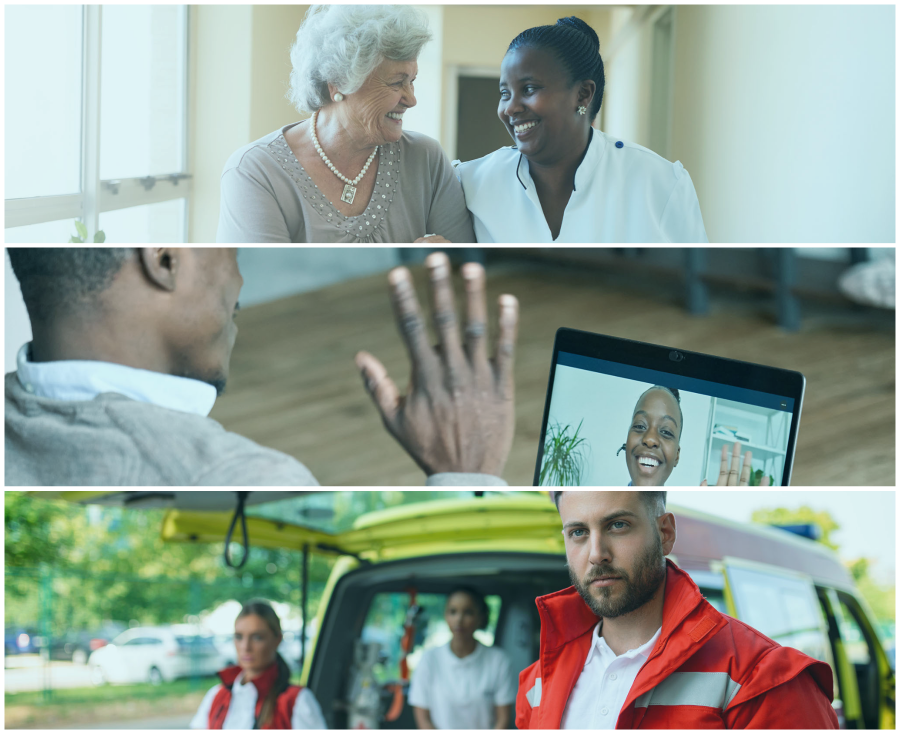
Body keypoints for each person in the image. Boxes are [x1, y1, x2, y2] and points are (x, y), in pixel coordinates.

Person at [5, 248, 518, 486]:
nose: (238, 279)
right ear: (164, 259)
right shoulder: (241, 475)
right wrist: (467, 470)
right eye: (229, 249)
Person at [516, 491, 839, 729]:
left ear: (665, 533)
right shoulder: (536, 683)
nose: (596, 553)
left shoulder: (763, 676)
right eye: (578, 533)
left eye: (617, 525)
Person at [217, 5, 474, 244]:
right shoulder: (255, 172)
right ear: (338, 82)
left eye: (412, 81)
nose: (411, 99)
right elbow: (265, 283)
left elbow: (465, 266)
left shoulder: (425, 159)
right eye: (397, 83)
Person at [454, 17, 708, 243]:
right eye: (505, 93)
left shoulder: (661, 184)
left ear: (583, 94)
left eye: (529, 89)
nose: (510, 108)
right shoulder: (468, 182)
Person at [190, 599, 326, 729]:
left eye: (257, 637)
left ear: (277, 639)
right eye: (239, 637)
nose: (245, 647)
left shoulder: (296, 701)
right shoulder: (217, 696)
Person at [408, 587, 516, 729]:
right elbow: (423, 719)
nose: (459, 619)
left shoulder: (499, 661)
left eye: (468, 612)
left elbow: (502, 720)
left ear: (480, 617)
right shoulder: (429, 660)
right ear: (445, 616)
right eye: (453, 612)